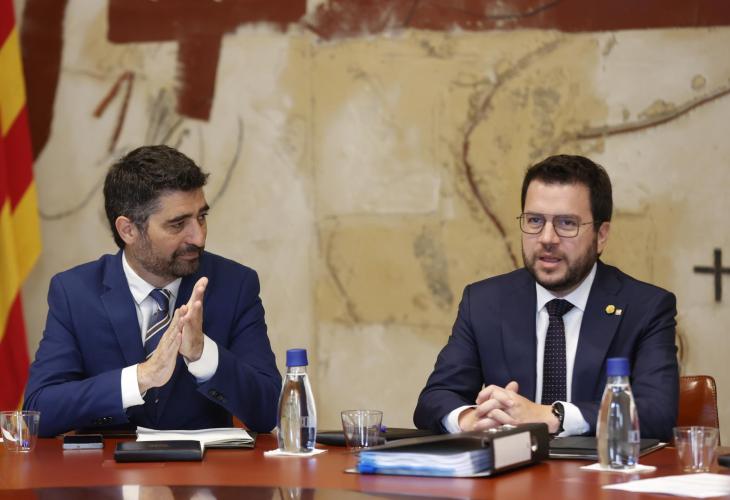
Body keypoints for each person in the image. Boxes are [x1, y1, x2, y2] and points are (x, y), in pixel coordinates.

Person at [413, 154, 678, 441]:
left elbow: (657, 413)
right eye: (535, 220)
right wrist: (469, 419)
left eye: (567, 223)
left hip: (600, 468)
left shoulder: (645, 308)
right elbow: (435, 398)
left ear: (601, 235)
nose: (547, 238)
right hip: (512, 468)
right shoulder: (484, 302)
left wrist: (552, 416)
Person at [24, 145, 281, 437]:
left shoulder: (234, 285)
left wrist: (203, 355)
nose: (198, 237)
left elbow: (268, 411)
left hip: (205, 466)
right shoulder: (75, 293)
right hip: (108, 466)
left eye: (201, 217)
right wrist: (140, 377)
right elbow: (39, 411)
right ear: (128, 230)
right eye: (178, 224)